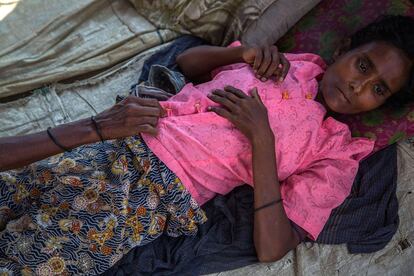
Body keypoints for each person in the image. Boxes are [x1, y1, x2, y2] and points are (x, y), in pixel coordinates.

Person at [0, 15, 413, 275]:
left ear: (382, 105)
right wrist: (246, 53)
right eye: (363, 64)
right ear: (343, 50)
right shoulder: (281, 64)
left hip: (149, 198)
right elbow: (187, 63)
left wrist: (263, 141)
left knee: (33, 258)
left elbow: (273, 247)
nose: (358, 84)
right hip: (116, 142)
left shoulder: (336, 152)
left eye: (377, 88)